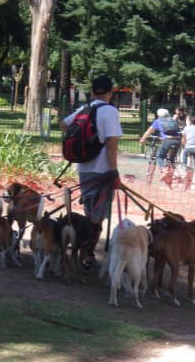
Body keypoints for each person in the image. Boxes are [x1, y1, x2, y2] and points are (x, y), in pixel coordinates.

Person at [61, 75, 123, 266]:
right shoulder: (110, 111)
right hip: (103, 171)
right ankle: (87, 254)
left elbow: (65, 124)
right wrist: (114, 171)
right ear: (110, 93)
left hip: (84, 167)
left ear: (93, 91)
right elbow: (112, 143)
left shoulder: (85, 108)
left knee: (90, 212)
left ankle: (84, 252)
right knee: (97, 216)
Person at [139, 108, 181, 181]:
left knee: (160, 156)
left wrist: (143, 139)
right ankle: (172, 174)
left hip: (168, 140)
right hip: (177, 140)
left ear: (159, 115)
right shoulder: (172, 120)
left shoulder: (158, 121)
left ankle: (164, 170)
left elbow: (149, 131)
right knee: (171, 159)